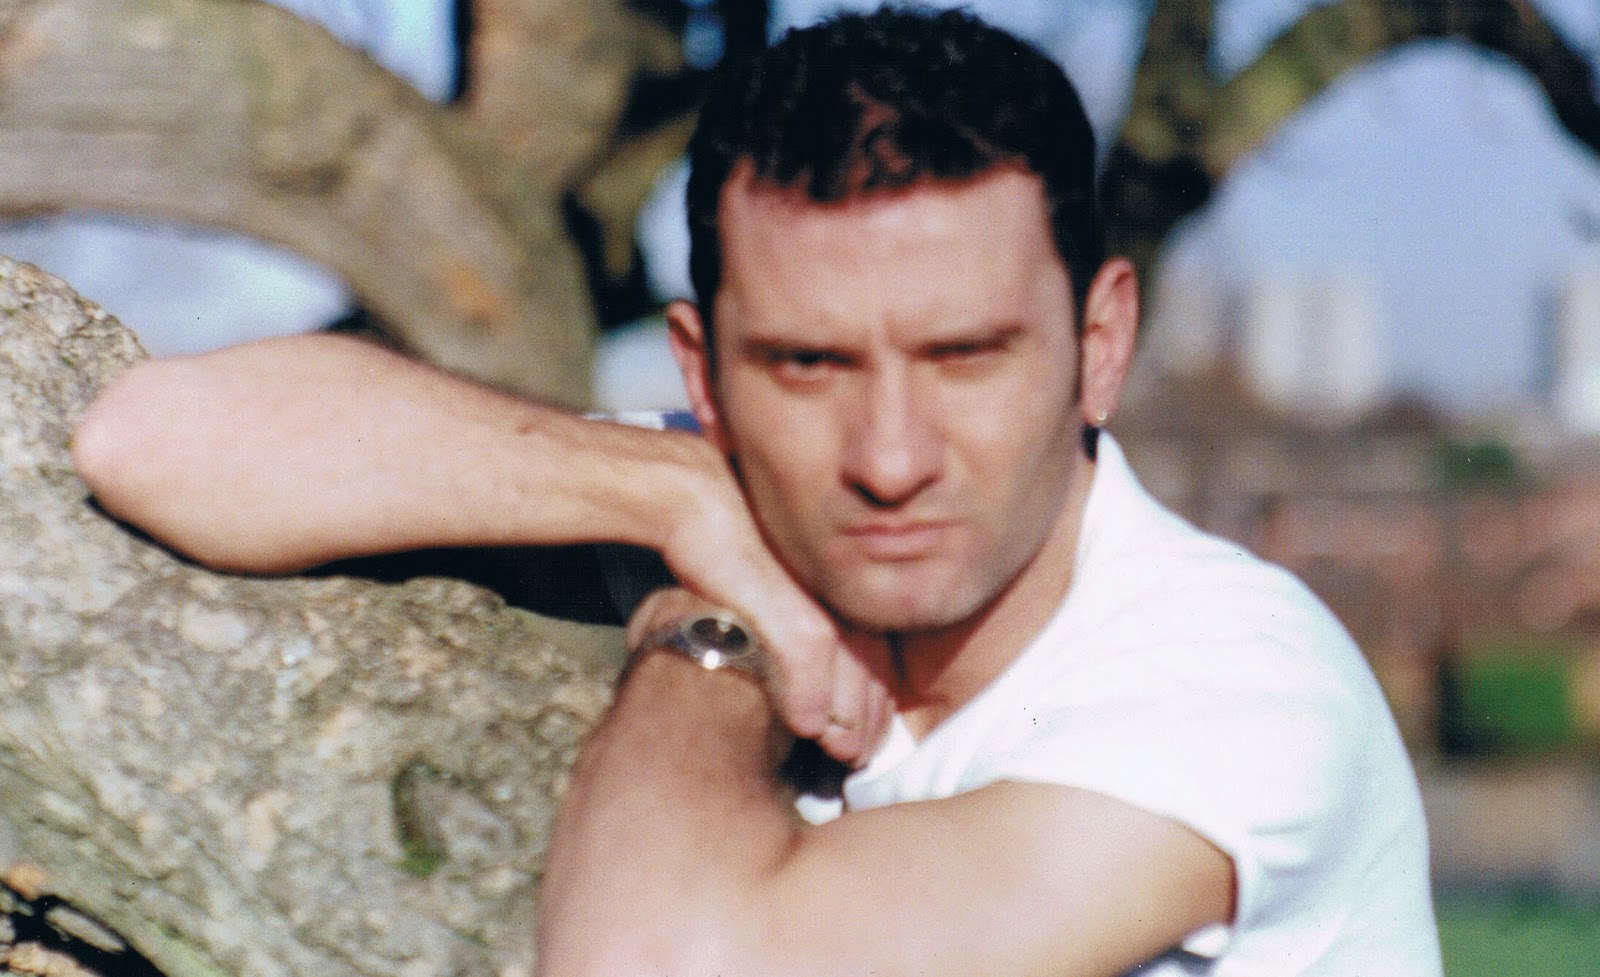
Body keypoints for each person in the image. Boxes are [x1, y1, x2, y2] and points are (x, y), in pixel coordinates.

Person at [71, 9, 1442, 975]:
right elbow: (152, 439)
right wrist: (676, 492)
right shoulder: (727, 496)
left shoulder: (1237, 692)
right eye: (807, 363)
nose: (888, 458)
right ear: (705, 371)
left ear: (1100, 347)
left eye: (964, 357)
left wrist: (708, 631)